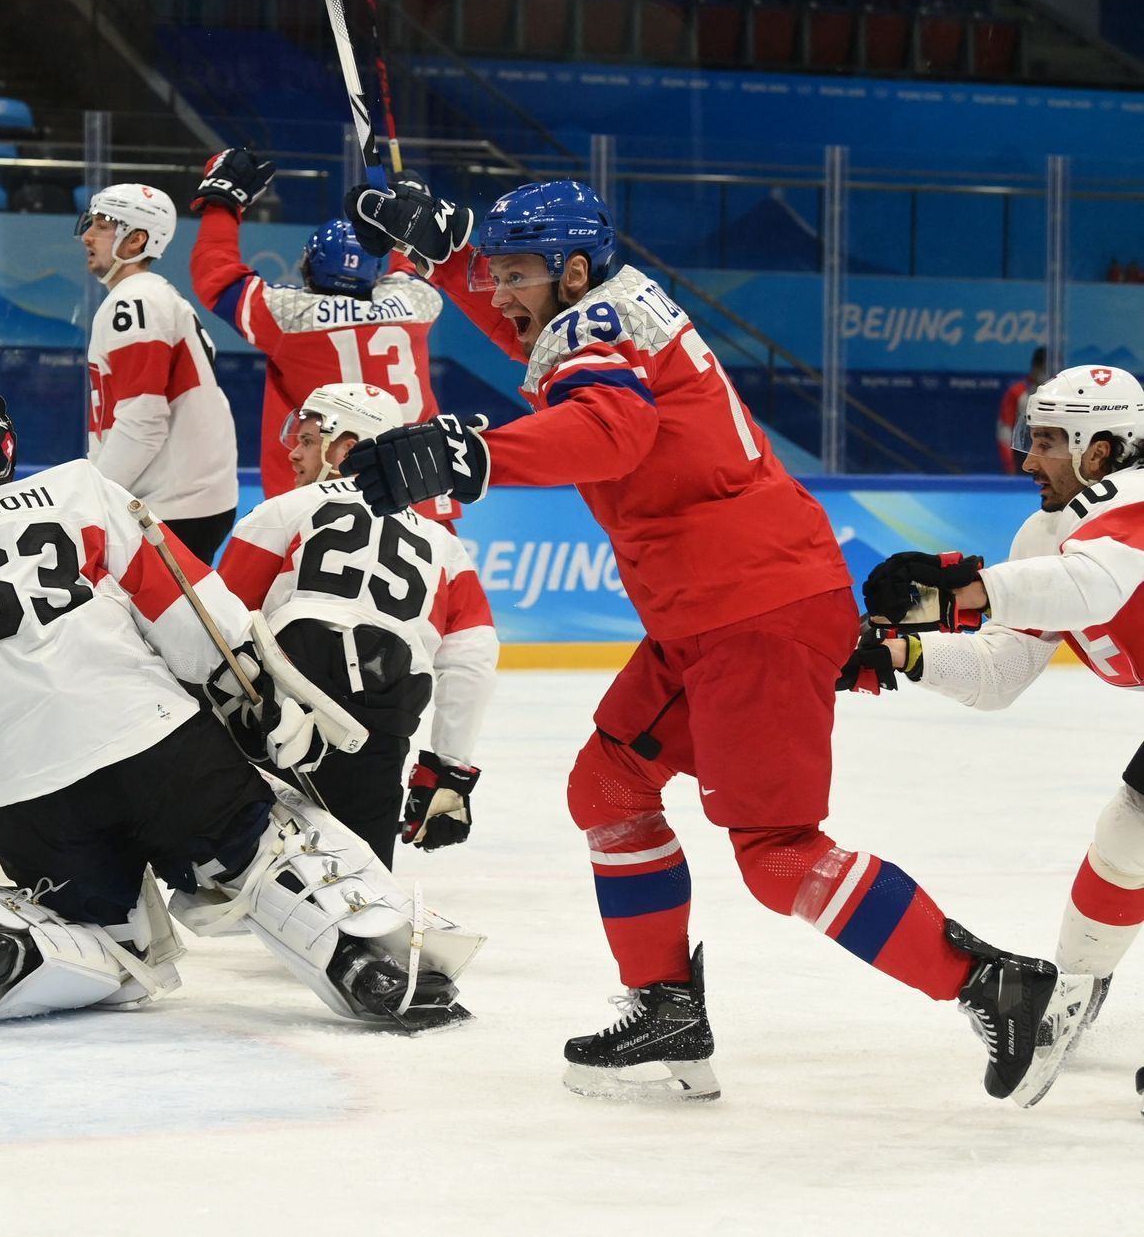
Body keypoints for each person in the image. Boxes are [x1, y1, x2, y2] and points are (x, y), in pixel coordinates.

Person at [334, 174, 1095, 1106]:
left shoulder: (594, 331)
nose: (501, 294)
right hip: (714, 608)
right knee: (608, 784)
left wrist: (474, 453)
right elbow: (550, 355)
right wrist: (448, 250)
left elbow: (610, 430)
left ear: (573, 271)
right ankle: (666, 1011)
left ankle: (991, 985)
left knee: (777, 852)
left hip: (750, 610)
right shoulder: (597, 306)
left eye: (515, 274)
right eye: (495, 273)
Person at [0, 392, 477, 1029]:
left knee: (115, 942)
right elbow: (185, 600)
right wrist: (252, 692)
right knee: (265, 853)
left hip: (24, 794)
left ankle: (30, 948)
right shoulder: (81, 491)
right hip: (156, 742)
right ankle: (365, 953)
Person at [844, 364, 1144, 1048]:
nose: (1027, 459)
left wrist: (955, 593)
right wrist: (900, 654)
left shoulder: (1134, 501)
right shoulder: (1045, 538)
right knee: (1129, 832)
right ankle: (1071, 997)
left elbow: (1095, 585)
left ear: (1099, 451)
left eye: (1046, 443)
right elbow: (1001, 672)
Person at [216, 382, 497, 866]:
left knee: (233, 852)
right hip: (390, 700)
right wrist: (448, 769)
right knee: (363, 869)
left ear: (347, 448)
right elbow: (473, 656)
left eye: (307, 440)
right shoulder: (444, 544)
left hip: (291, 687)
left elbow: (218, 620)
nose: (292, 452)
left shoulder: (283, 510)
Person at [188, 148, 451, 518]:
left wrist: (222, 201)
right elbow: (414, 262)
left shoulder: (289, 318)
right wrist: (407, 218)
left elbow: (214, 274)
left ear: (309, 268)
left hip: (320, 497)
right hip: (418, 487)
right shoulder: (414, 304)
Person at [77, 184, 239, 560]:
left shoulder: (135, 301)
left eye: (102, 225)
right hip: (188, 500)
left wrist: (93, 496)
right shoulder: (155, 294)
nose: (87, 235)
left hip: (172, 506)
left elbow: (143, 420)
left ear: (135, 240)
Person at [996, 347, 1047, 475]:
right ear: (1035, 368)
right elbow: (1004, 431)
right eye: (1044, 370)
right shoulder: (1017, 392)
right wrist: (1010, 464)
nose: (1047, 374)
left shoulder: (1061, 395)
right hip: (1022, 459)